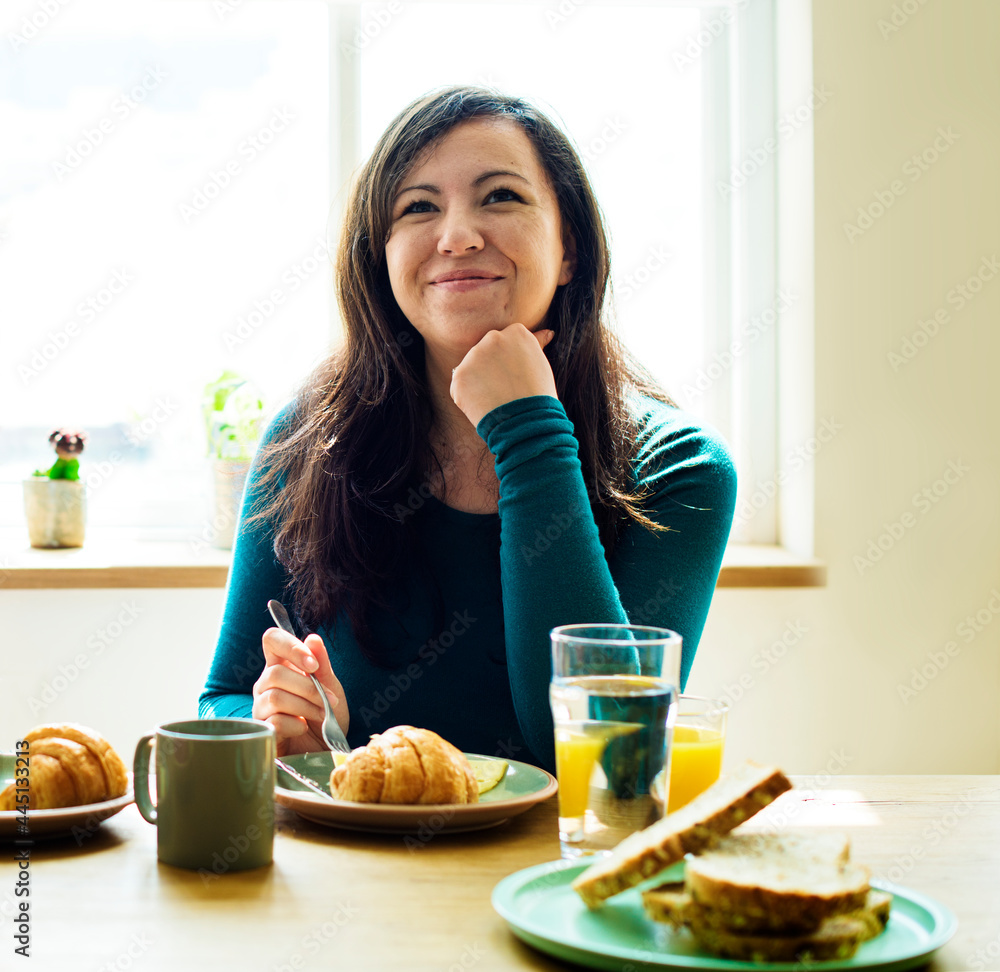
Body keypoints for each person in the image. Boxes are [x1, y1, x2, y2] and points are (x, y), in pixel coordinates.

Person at [199, 85, 737, 772]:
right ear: (382, 256)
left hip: (561, 873)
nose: (456, 236)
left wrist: (528, 432)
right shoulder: (306, 440)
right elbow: (222, 698)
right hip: (362, 865)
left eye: (501, 197)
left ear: (570, 248)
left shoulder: (680, 469)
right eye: (418, 207)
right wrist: (282, 731)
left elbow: (608, 761)